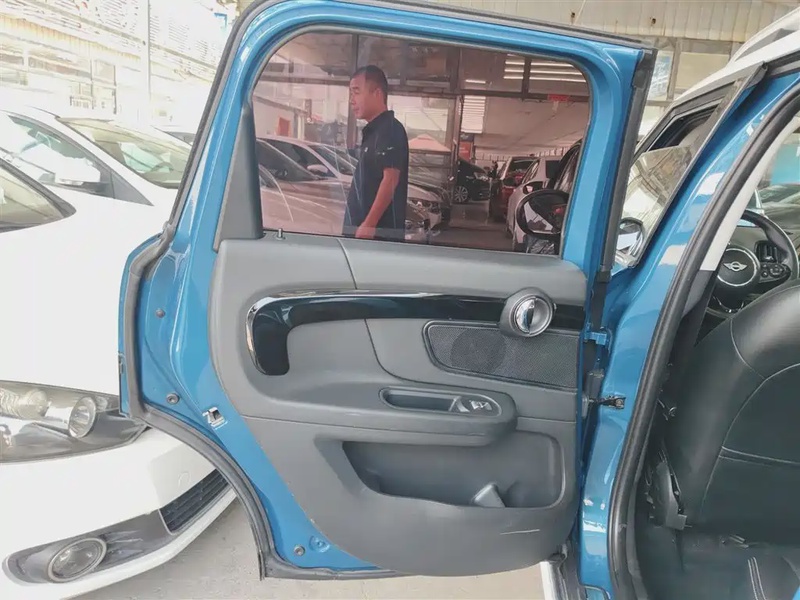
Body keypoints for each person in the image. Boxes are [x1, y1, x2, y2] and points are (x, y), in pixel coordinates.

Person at [343, 65, 409, 241]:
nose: (351, 100)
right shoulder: (374, 132)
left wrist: (369, 224)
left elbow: (391, 178)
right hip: (363, 234)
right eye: (350, 94)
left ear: (377, 93)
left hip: (376, 238)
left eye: (356, 92)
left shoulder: (390, 130)